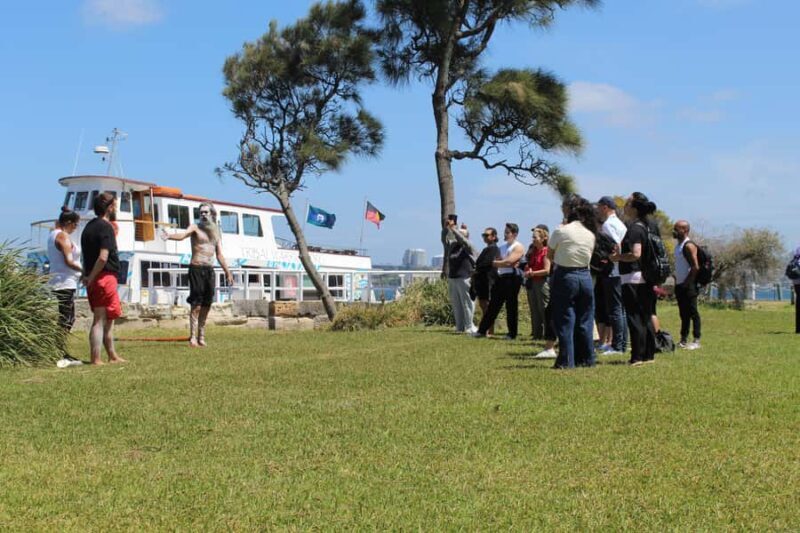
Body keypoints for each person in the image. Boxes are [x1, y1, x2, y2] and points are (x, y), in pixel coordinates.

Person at [161, 202, 234, 347]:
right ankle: (193, 336)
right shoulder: (195, 227)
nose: (203, 215)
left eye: (206, 212)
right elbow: (182, 235)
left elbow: (219, 254)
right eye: (201, 213)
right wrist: (169, 236)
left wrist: (227, 271)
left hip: (209, 269)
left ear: (212, 214)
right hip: (196, 268)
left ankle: (202, 335)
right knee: (196, 304)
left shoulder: (216, 231)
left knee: (207, 303)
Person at [548, 196, 597, 368]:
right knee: (585, 320)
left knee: (565, 319)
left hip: (566, 275)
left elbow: (550, 254)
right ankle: (587, 358)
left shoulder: (561, 231)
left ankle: (566, 360)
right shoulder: (590, 234)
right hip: (585, 276)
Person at [610, 192, 658, 366]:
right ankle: (649, 355)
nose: (625, 206)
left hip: (633, 278)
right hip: (647, 277)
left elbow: (636, 254)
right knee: (646, 315)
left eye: (628, 203)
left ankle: (637, 356)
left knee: (634, 316)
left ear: (634, 208)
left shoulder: (635, 227)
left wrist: (618, 258)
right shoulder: (649, 225)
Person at [81, 192, 126, 365]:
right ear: (110, 207)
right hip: (104, 276)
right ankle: (96, 359)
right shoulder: (105, 227)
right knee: (100, 320)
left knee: (107, 318)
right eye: (114, 205)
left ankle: (112, 355)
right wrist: (92, 277)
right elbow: (103, 257)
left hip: (95, 277)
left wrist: (87, 276)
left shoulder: (88, 227)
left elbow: (87, 256)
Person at [472, 223, 524, 339]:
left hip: (512, 278)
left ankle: (512, 334)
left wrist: (501, 262)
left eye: (508, 232)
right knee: (493, 306)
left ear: (514, 234)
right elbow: (502, 262)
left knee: (511, 306)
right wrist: (503, 262)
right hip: (501, 278)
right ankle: (482, 331)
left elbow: (507, 262)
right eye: (505, 232)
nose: (505, 234)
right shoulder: (502, 248)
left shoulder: (518, 246)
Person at [49, 207, 83, 366]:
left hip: (62, 281)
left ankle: (58, 349)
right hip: (64, 282)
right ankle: (57, 350)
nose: (75, 228)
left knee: (67, 317)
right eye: (75, 225)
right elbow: (69, 261)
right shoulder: (62, 236)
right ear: (68, 223)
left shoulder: (53, 233)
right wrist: (85, 271)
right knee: (66, 318)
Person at [596, 196, 628, 355]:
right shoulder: (620, 223)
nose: (597, 209)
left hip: (613, 270)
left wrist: (610, 259)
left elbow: (615, 245)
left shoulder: (608, 224)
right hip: (620, 270)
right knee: (620, 309)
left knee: (615, 309)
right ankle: (621, 343)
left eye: (599, 206)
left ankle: (617, 345)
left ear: (605, 207)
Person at [444, 218, 477, 333]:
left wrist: (455, 229)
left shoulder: (468, 246)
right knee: (456, 304)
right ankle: (460, 327)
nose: (457, 236)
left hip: (465, 277)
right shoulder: (453, 246)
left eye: (460, 234)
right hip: (453, 277)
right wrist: (448, 228)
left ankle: (469, 326)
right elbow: (446, 238)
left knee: (467, 303)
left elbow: (462, 239)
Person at [673, 220, 701, 350]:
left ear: (685, 230)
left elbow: (695, 267)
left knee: (693, 312)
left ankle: (696, 340)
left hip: (689, 285)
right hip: (679, 284)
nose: (674, 231)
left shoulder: (688, 245)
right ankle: (683, 339)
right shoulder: (678, 246)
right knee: (683, 313)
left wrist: (687, 283)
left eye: (677, 229)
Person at [524, 227, 551, 340]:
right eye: (533, 237)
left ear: (542, 239)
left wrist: (533, 273)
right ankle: (536, 334)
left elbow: (547, 270)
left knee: (543, 309)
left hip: (542, 283)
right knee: (534, 309)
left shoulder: (546, 251)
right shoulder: (534, 252)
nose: (533, 240)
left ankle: (549, 334)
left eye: (535, 237)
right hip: (533, 283)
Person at [473, 227, 499, 335]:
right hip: (482, 280)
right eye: (483, 235)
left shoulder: (493, 249)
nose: (485, 237)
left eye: (487, 235)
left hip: (488, 280)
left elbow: (487, 263)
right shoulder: (486, 249)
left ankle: (490, 330)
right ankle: (485, 329)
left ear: (494, 237)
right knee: (483, 306)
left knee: (487, 307)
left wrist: (476, 269)